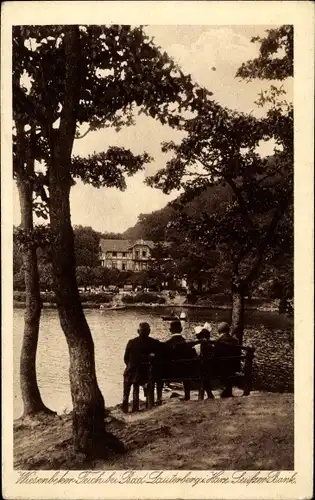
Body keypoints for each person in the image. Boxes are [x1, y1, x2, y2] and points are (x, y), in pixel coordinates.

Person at [122, 322, 161, 413]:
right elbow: (157, 357)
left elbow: (125, 358)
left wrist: (130, 365)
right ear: (149, 331)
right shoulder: (154, 343)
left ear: (138, 331)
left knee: (127, 388)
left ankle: (125, 407)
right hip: (144, 373)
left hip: (131, 372)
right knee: (138, 382)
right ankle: (139, 406)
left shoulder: (131, 342)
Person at [162, 320, 197, 401]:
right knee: (185, 368)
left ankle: (159, 397)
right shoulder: (187, 344)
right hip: (185, 373)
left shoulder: (166, 344)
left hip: (169, 374)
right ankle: (187, 395)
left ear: (170, 330)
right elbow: (193, 358)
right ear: (181, 329)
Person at [214, 322, 241, 398]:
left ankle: (224, 389)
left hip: (222, 367)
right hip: (233, 366)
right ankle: (227, 389)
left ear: (219, 331)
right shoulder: (236, 341)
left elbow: (216, 356)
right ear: (228, 330)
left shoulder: (218, 342)